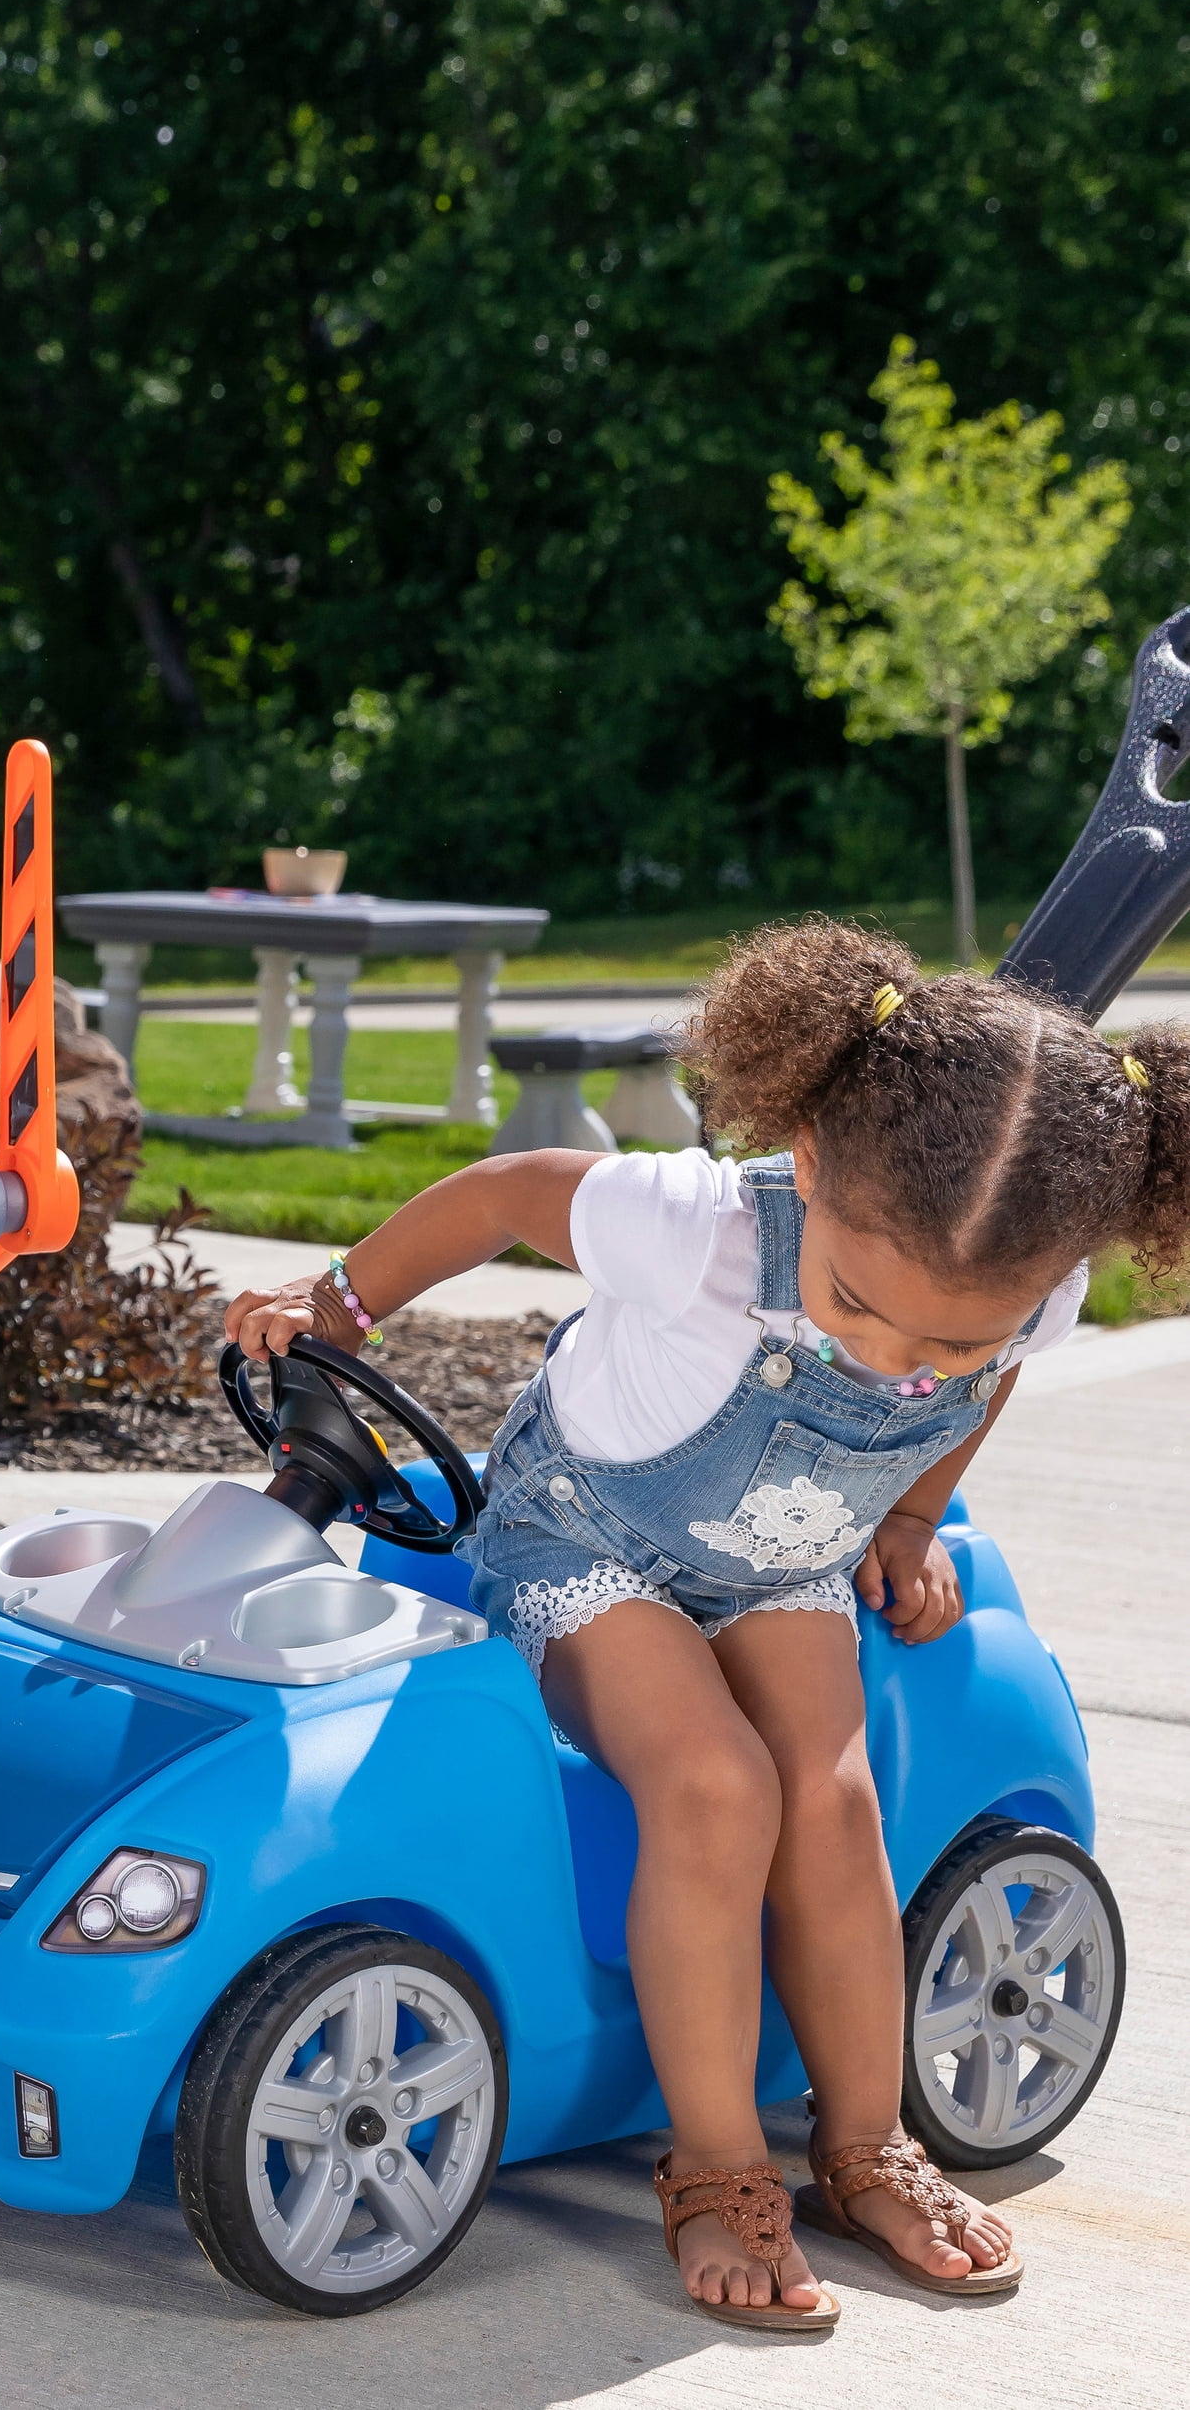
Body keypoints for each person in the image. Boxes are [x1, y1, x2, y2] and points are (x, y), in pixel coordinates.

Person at [224, 921, 1190, 2331]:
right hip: (582, 1539)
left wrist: (909, 1524)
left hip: (786, 1561)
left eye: (949, 1339)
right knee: (715, 1783)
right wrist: (340, 1298)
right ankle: (717, 2162)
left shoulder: (1030, 1281)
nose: (897, 1360)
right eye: (862, 1308)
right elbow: (503, 1191)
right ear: (806, 1163)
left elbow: (982, 1394)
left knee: (834, 1798)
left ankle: (865, 2148)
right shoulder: (701, 1225)